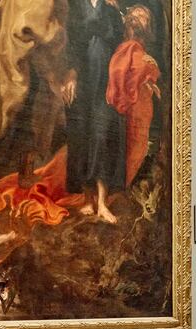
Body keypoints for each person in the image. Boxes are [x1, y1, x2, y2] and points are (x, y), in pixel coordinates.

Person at [63, 0, 125, 224]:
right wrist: (71, 74)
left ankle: (102, 202)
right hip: (83, 79)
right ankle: (88, 198)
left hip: (106, 81)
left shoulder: (111, 10)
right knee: (81, 135)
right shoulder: (75, 6)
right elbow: (71, 43)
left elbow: (118, 43)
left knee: (101, 135)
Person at [106, 4, 161, 188]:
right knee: (131, 149)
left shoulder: (138, 48)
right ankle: (119, 188)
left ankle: (123, 187)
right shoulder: (128, 47)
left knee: (138, 148)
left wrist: (150, 77)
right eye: (135, 14)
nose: (138, 17)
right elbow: (120, 76)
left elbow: (142, 72)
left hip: (142, 109)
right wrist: (148, 70)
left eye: (143, 15)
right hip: (133, 109)